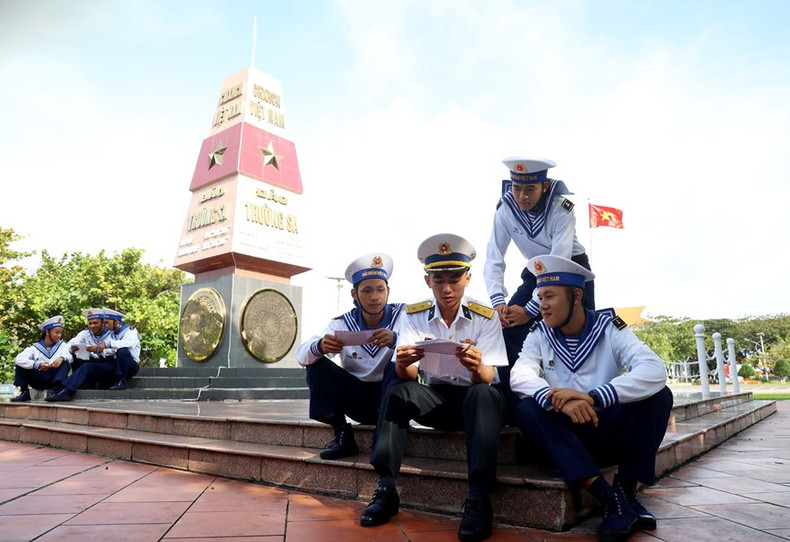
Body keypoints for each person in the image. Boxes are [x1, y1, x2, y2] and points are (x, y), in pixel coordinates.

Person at [509, 255, 672, 542]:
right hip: (565, 436)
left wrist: (592, 397)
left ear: (577, 296)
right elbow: (519, 375)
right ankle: (609, 498)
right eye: (539, 297)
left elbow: (653, 369)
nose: (542, 305)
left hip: (604, 429)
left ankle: (625, 490)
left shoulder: (610, 328)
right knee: (526, 408)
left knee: (659, 396)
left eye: (550, 296)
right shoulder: (539, 334)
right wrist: (559, 399)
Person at [361, 234, 507, 542]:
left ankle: (479, 498)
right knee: (397, 389)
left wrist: (476, 364)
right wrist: (402, 362)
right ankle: (386, 489)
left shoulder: (485, 316)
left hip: (472, 400)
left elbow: (490, 376)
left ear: (468, 277)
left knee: (485, 393)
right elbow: (409, 373)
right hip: (434, 398)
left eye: (455, 279)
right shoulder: (413, 315)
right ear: (428, 281)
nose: (447, 288)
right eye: (438, 280)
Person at [484, 157, 595, 368]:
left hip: (571, 267)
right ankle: (516, 396)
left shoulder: (562, 208)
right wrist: (498, 302)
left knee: (582, 332)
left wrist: (529, 310)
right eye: (517, 188)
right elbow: (494, 256)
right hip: (536, 270)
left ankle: (585, 395)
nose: (522, 196)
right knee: (507, 327)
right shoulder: (505, 210)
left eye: (530, 189)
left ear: (544, 186)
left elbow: (559, 260)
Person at [296, 253, 405, 460]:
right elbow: (302, 355)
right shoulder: (341, 323)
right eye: (367, 291)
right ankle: (341, 434)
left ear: (388, 291)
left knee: (397, 363)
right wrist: (320, 346)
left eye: (380, 290)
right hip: (357, 399)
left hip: (392, 397)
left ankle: (384, 437)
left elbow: (421, 347)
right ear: (354, 294)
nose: (375, 297)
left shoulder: (404, 316)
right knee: (316, 363)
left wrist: (395, 339)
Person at [46, 308, 117, 402]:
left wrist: (97, 349)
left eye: (95, 323)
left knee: (87, 366)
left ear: (102, 323)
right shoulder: (85, 334)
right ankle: (60, 387)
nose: (92, 326)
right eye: (90, 323)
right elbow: (68, 345)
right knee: (73, 355)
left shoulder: (112, 334)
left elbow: (116, 350)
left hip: (108, 365)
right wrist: (65, 355)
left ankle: (66, 391)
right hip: (93, 365)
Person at [10, 315, 72, 402]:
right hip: (39, 379)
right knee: (21, 364)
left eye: (60, 333)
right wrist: (37, 365)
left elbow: (69, 356)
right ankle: (24, 392)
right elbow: (19, 359)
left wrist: (61, 358)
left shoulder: (63, 345)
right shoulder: (34, 348)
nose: (59, 335)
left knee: (65, 362)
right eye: (56, 333)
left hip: (54, 379)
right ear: (47, 332)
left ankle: (57, 391)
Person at [101, 308, 142, 390]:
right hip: (117, 363)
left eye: (107, 323)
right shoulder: (112, 334)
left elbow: (129, 343)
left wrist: (110, 345)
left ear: (116, 322)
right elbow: (105, 351)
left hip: (131, 365)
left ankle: (121, 381)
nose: (105, 326)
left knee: (122, 351)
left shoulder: (130, 331)